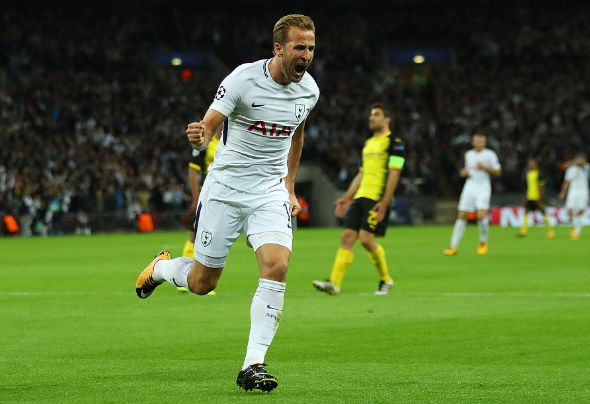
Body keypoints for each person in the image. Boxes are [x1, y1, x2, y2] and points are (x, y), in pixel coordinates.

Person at [135, 14, 319, 393]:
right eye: (299, 47)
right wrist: (199, 137)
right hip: (225, 190)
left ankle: (253, 364)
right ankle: (162, 268)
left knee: (277, 265)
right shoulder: (242, 80)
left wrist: (289, 186)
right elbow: (208, 128)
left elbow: (297, 135)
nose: (306, 55)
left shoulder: (309, 91)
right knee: (203, 283)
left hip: (269, 192)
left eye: (311, 48)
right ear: (279, 48)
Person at [312, 103, 405, 296]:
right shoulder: (369, 144)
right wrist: (347, 197)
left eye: (376, 114)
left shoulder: (395, 142)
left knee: (365, 239)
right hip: (361, 196)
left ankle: (386, 279)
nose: (371, 118)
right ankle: (334, 283)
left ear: (387, 119)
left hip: (377, 198)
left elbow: (395, 172)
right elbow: (361, 173)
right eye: (371, 115)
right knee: (347, 237)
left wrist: (385, 202)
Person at [177, 130, 221, 293]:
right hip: (206, 194)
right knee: (196, 235)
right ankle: (184, 277)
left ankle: (199, 279)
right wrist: (196, 198)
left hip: (222, 196)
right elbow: (193, 171)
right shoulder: (205, 143)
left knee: (211, 236)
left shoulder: (229, 142)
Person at [444, 133, 501, 256]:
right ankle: (453, 246)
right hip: (470, 186)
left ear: (485, 143)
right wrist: (465, 172)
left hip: (483, 187)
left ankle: (483, 241)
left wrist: (485, 167)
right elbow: (470, 170)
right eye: (477, 141)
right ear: (473, 142)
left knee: (480, 216)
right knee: (462, 215)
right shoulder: (469, 154)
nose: (480, 143)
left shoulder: (490, 154)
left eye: (482, 141)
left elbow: (498, 171)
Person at [518, 158, 555, 238]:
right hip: (529, 197)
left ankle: (550, 231)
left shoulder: (539, 174)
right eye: (529, 163)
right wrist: (526, 197)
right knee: (526, 213)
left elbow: (541, 186)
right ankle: (523, 231)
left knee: (543, 213)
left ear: (536, 164)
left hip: (537, 198)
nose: (530, 165)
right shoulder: (528, 174)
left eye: (532, 163)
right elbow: (528, 187)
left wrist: (540, 197)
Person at [559, 153, 589, 240]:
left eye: (582, 159)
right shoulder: (571, 170)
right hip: (573, 192)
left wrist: (576, 162)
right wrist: (563, 192)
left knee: (581, 210)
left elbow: (582, 164)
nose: (581, 161)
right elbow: (566, 181)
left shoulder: (586, 168)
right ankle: (574, 223)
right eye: (579, 159)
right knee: (569, 210)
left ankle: (576, 230)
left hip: (583, 192)